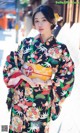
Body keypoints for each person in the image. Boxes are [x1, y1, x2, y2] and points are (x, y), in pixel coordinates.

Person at [3, 5, 74, 133]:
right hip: (20, 98)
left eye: (44, 20)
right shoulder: (26, 43)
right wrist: (23, 76)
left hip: (40, 101)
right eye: (36, 21)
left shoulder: (60, 49)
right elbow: (11, 62)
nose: (40, 24)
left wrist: (48, 83)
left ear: (51, 21)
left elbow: (67, 75)